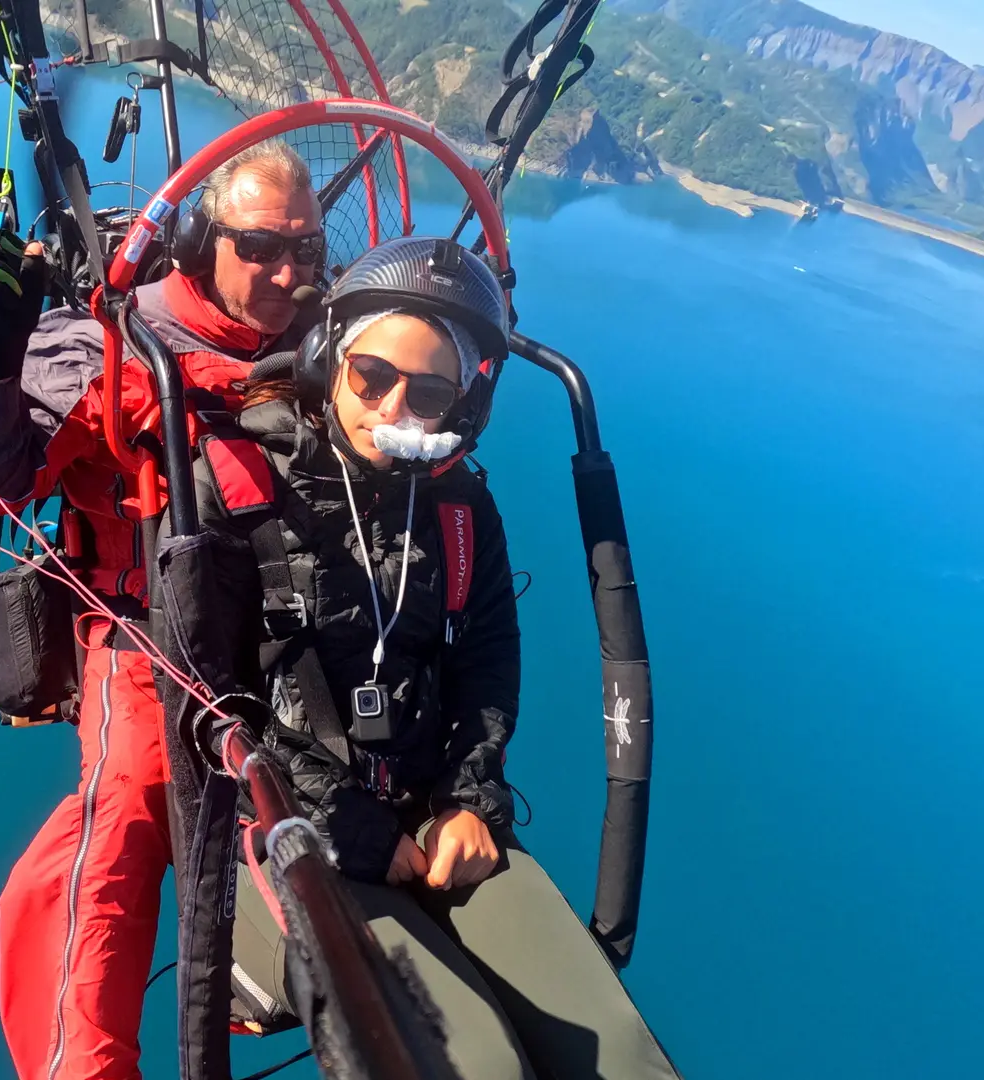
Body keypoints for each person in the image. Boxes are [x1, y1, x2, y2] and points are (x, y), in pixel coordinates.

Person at [174, 237, 682, 1080]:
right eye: (373, 377)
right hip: (293, 830)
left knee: (619, 1055)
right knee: (478, 1065)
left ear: (461, 409)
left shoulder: (456, 506)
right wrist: (349, 819)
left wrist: (471, 798)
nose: (395, 409)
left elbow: (487, 659)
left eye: (430, 393)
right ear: (329, 361)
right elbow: (206, 698)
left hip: (433, 812)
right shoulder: (233, 489)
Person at [0, 140, 325, 1080]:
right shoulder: (106, 344)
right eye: (261, 246)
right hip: (153, 643)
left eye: (305, 251)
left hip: (298, 639)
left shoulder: (334, 350)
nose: (287, 273)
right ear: (195, 242)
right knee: (123, 827)